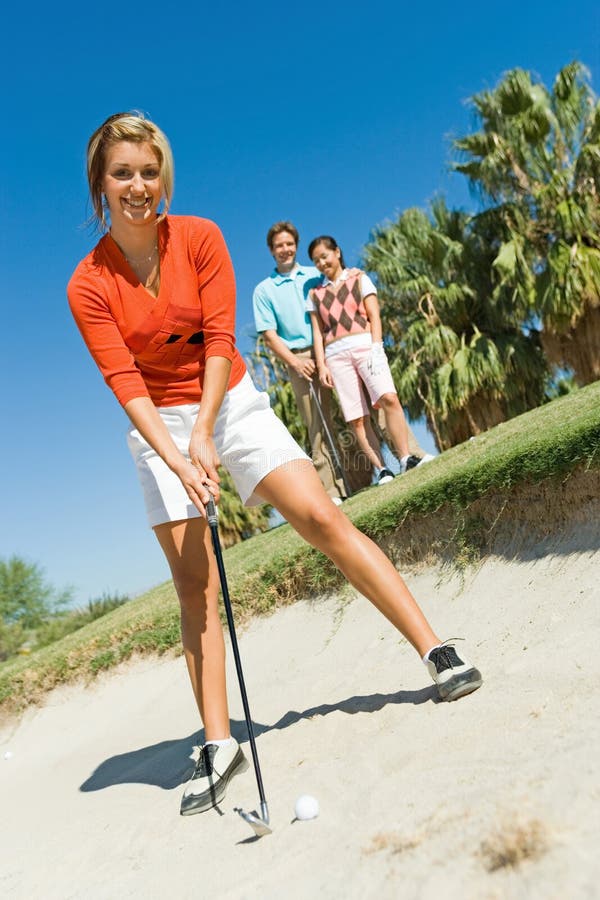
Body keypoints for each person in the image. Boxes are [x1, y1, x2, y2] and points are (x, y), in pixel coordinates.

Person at [68, 112, 482, 819]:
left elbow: (222, 338)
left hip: (224, 396)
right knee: (195, 586)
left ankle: (435, 649)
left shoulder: (199, 236)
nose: (137, 186)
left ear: (162, 176)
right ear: (100, 185)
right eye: (121, 173)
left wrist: (205, 431)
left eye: (148, 171)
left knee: (320, 516)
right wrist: (177, 454)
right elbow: (126, 386)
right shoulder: (89, 283)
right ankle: (221, 744)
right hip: (157, 424)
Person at [307, 235, 431, 485]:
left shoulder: (359, 278)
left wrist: (377, 347)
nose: (321, 263)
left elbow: (374, 315)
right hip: (336, 356)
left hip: (365, 346)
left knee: (388, 398)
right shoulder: (314, 294)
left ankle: (406, 457)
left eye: (324, 256)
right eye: (316, 260)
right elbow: (317, 334)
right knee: (356, 417)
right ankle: (383, 470)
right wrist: (322, 366)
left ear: (337, 252)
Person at [252, 222, 346, 502]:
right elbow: (270, 335)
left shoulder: (313, 275)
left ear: (296, 245)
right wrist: (294, 362)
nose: (285, 250)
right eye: (279, 246)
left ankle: (387, 465)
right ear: (271, 250)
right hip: (299, 360)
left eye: (289, 244)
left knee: (357, 411)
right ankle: (331, 491)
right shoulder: (264, 291)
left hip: (331, 348)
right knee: (317, 426)